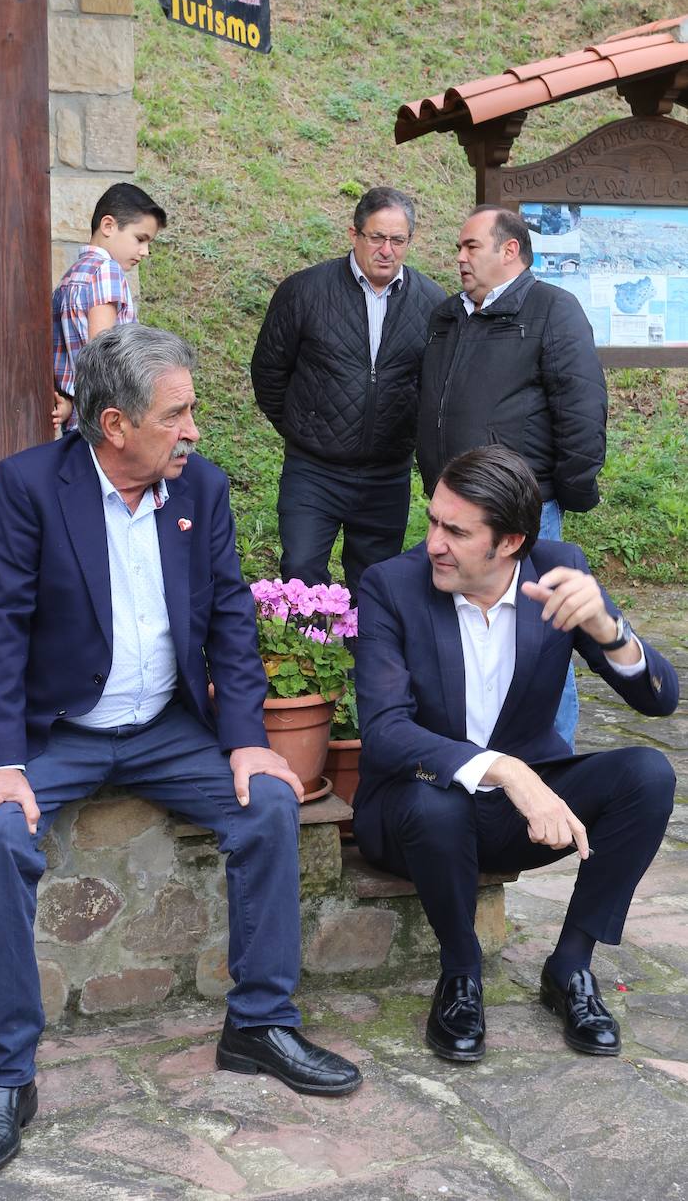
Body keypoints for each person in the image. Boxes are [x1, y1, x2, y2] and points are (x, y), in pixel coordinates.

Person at [0, 323, 361, 1175]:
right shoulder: (31, 486)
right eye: (177, 415)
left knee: (273, 803)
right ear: (114, 426)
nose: (194, 430)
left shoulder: (198, 489)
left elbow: (231, 621)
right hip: (58, 728)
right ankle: (2, 1079)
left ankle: (259, 1025)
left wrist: (247, 741)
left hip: (168, 730)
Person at [353, 445, 677, 1064]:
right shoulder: (391, 585)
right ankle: (460, 975)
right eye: (432, 521)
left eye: (456, 530)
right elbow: (386, 732)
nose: (434, 544)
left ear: (511, 543)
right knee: (435, 801)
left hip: (511, 819)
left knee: (648, 773)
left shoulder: (557, 571)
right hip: (414, 815)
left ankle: (570, 968)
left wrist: (611, 630)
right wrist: (507, 769)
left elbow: (661, 703)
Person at [416, 204, 608, 747]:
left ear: (510, 251)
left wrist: (563, 493)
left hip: (524, 513)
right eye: (459, 246)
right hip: (457, 511)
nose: (458, 257)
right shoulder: (450, 315)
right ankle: (480, 755)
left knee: (540, 639)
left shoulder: (552, 309)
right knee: (469, 635)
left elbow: (582, 408)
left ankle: (553, 762)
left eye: (471, 246)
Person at [251, 187, 444, 600]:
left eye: (398, 240)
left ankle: (366, 663)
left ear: (410, 241)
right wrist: (303, 427)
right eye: (377, 237)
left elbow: (437, 387)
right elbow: (269, 370)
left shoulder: (433, 304)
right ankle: (305, 659)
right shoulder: (304, 291)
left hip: (386, 475)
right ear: (354, 234)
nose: (387, 250)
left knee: (375, 583)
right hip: (314, 470)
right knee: (301, 571)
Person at [51, 181, 166, 430]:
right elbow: (102, 355)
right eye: (140, 239)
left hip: (78, 420)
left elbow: (67, 361)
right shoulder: (106, 271)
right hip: (107, 423)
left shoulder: (69, 278)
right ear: (108, 226)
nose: (145, 251)